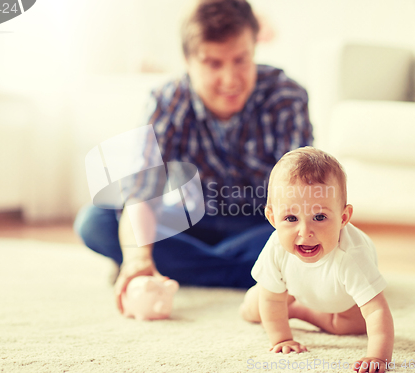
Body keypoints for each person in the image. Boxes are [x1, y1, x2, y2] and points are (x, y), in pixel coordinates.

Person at [74, 0, 313, 314]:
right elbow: (141, 193)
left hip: (262, 224)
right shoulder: (167, 102)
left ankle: (188, 267)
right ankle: (259, 274)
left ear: (254, 50)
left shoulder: (286, 97)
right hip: (191, 221)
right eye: (213, 64)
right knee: (96, 221)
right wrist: (138, 261)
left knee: (310, 236)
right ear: (188, 61)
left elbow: (301, 197)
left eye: (241, 60)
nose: (230, 79)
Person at [239, 147, 394, 373]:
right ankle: (289, 304)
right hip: (293, 287)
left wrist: (378, 357)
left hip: (343, 298)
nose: (305, 231)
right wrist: (282, 339)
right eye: (291, 218)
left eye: (319, 217)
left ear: (343, 218)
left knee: (354, 325)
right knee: (255, 309)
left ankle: (298, 310)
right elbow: (272, 300)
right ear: (272, 218)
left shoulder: (352, 256)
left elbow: (376, 311)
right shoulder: (276, 247)